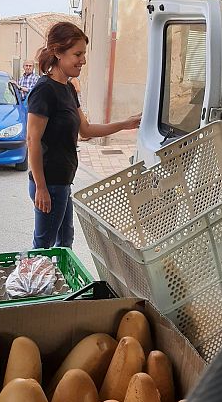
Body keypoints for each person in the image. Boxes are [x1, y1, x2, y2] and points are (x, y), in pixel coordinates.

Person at [26, 21, 141, 249]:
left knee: (64, 241)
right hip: (49, 183)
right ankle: (33, 283)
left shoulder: (68, 89)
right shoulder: (45, 90)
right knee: (44, 246)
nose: (83, 60)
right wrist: (41, 186)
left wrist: (124, 124)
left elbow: (85, 130)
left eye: (84, 54)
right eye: (77, 54)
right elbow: (32, 140)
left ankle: (56, 283)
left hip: (62, 181)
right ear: (58, 52)